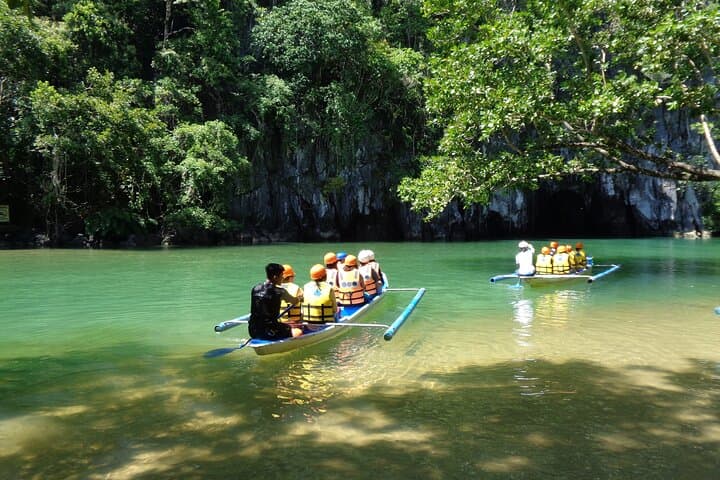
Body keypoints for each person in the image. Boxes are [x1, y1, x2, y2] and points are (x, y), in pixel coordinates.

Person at [249, 263, 303, 340]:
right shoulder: (280, 292)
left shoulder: (255, 288)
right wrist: (300, 298)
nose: (282, 278)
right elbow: (294, 301)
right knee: (298, 332)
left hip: (252, 329)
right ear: (275, 277)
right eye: (281, 276)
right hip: (270, 329)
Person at [301, 264, 338, 330]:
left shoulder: (305, 286)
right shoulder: (329, 288)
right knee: (338, 311)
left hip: (308, 321)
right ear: (325, 276)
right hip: (325, 322)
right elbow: (335, 309)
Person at [280, 264, 304, 337]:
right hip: (294, 324)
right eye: (293, 276)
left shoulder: (274, 288)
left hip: (280, 323)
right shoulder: (297, 288)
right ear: (289, 277)